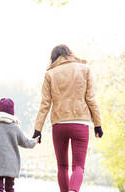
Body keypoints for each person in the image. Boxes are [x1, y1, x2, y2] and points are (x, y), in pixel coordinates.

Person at [32, 45, 104, 192]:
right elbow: (91, 99)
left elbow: (45, 104)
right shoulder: (85, 69)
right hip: (80, 122)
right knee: (78, 166)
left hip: (59, 124)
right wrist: (98, 124)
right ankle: (73, 190)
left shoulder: (50, 74)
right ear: (70, 53)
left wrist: (37, 130)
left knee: (62, 167)